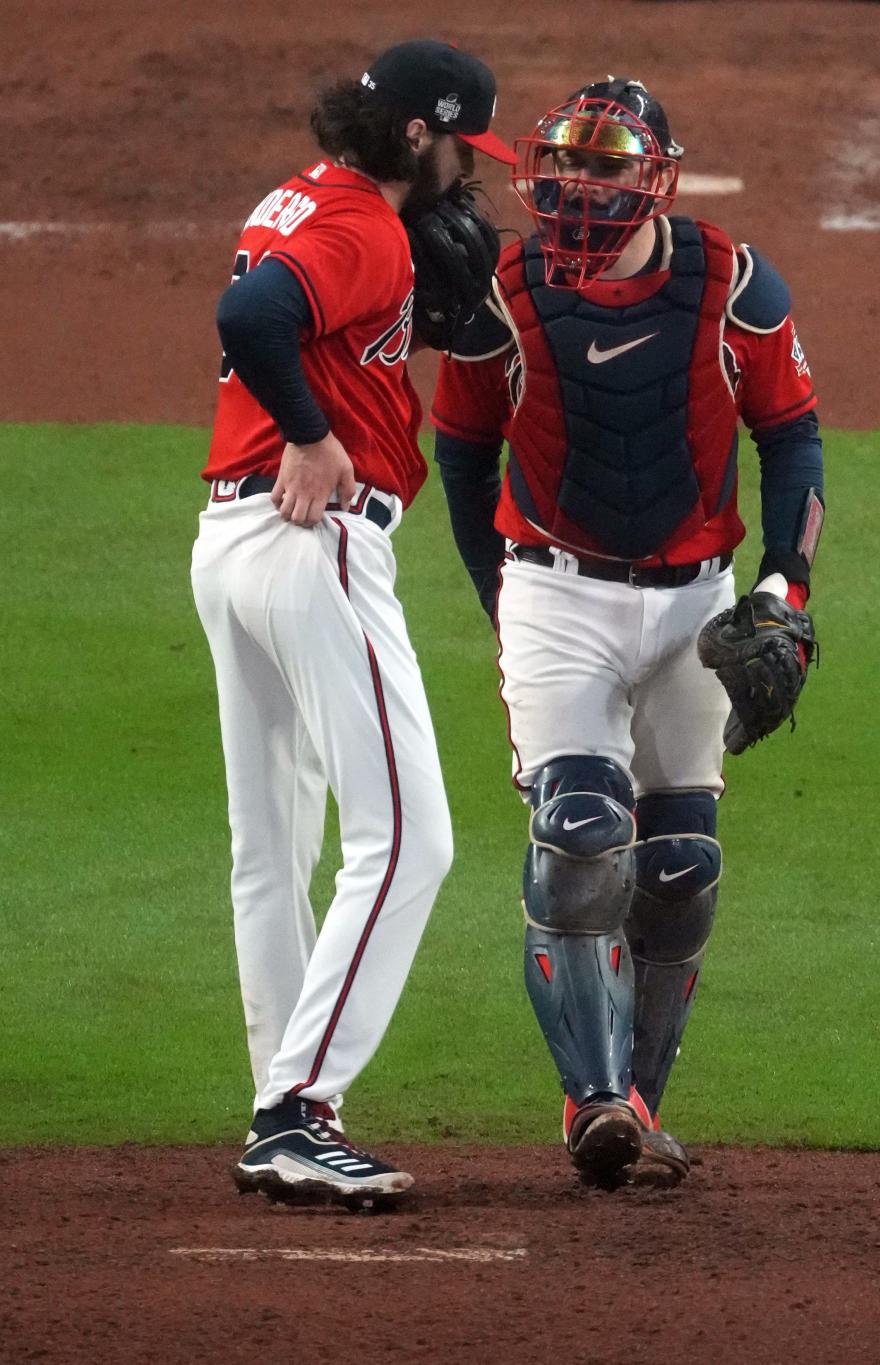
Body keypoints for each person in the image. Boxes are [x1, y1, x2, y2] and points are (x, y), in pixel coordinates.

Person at [431, 78, 823, 1188]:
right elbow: (463, 454)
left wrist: (786, 588)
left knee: (683, 864)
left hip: (700, 601)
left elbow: (791, 435)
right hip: (557, 590)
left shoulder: (731, 285)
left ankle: (638, 1101)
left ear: (654, 177)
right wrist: (497, 591)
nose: (579, 188)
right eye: (564, 166)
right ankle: (594, 1101)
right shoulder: (504, 292)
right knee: (580, 842)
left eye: (605, 168)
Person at [191, 38, 514, 1208]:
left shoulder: (301, 193)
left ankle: (279, 1097)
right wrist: (317, 433)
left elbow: (291, 317)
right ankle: (299, 1111)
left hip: (230, 546)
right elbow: (254, 315)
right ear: (419, 133)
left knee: (273, 846)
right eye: (461, 145)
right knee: (409, 839)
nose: (464, 175)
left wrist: (329, 393)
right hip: (310, 539)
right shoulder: (364, 227)